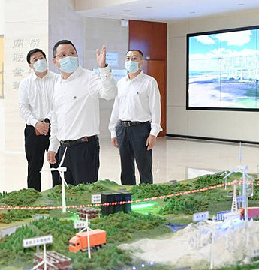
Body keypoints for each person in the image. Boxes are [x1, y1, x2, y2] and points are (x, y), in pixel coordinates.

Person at [47, 40, 117, 185]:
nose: (68, 57)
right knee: (65, 192)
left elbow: (109, 93)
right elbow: (55, 118)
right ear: (55, 61)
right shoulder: (56, 84)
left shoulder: (89, 77)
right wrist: (53, 147)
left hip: (85, 147)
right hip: (63, 149)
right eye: (63, 55)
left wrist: (103, 69)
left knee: (85, 193)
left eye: (72, 53)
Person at [109, 50, 162, 185]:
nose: (130, 61)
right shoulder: (121, 83)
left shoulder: (149, 82)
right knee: (126, 168)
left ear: (141, 62)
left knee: (144, 167)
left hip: (141, 129)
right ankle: (127, 194)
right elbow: (116, 108)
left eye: (134, 58)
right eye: (128, 58)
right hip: (122, 129)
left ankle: (146, 195)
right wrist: (113, 131)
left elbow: (156, 108)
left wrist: (153, 133)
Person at [18, 48, 60, 191]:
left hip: (55, 128)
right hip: (33, 129)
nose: (39, 61)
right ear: (30, 65)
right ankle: (34, 197)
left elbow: (58, 104)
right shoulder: (25, 83)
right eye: (35, 59)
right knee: (34, 167)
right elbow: (23, 107)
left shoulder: (57, 79)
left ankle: (58, 196)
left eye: (41, 58)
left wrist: (47, 121)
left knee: (57, 165)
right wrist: (36, 123)